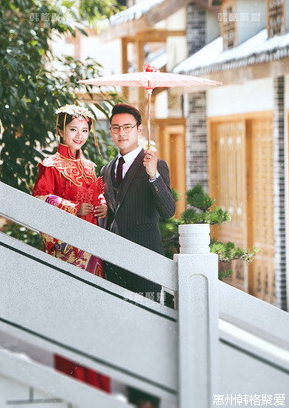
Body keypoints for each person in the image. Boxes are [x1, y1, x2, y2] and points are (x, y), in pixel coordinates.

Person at [101, 103, 176, 408]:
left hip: (146, 259)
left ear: (139, 130)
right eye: (116, 128)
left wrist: (153, 175)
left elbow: (168, 211)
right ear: (111, 131)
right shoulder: (107, 169)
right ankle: (134, 396)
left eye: (127, 127)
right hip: (115, 262)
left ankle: (150, 399)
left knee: (150, 327)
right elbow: (112, 213)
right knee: (126, 328)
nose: (122, 133)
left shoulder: (154, 164)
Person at [31, 104, 110, 393]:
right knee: (70, 316)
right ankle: (71, 384)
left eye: (84, 130)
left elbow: (97, 197)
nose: (79, 135)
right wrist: (74, 208)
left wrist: (102, 207)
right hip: (68, 253)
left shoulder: (90, 167)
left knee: (95, 316)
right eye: (73, 129)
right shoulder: (50, 165)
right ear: (60, 131)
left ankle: (97, 385)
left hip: (93, 250)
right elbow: (39, 200)